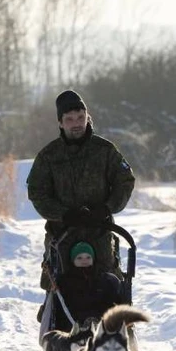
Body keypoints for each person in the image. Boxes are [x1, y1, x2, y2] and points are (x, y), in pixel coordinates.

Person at [27, 89, 135, 291]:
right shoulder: (49, 156)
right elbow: (37, 192)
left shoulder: (105, 150)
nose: (76, 123)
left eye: (80, 117)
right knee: (58, 288)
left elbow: (125, 180)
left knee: (109, 285)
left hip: (99, 232)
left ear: (87, 117)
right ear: (60, 122)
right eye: (69, 119)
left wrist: (107, 208)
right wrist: (63, 214)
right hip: (62, 235)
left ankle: (118, 322)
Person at [53, 241, 124, 332]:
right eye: (79, 258)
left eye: (88, 257)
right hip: (74, 324)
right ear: (73, 260)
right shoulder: (65, 281)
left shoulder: (105, 279)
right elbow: (61, 309)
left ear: (93, 259)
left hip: (101, 323)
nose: (84, 261)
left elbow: (112, 303)